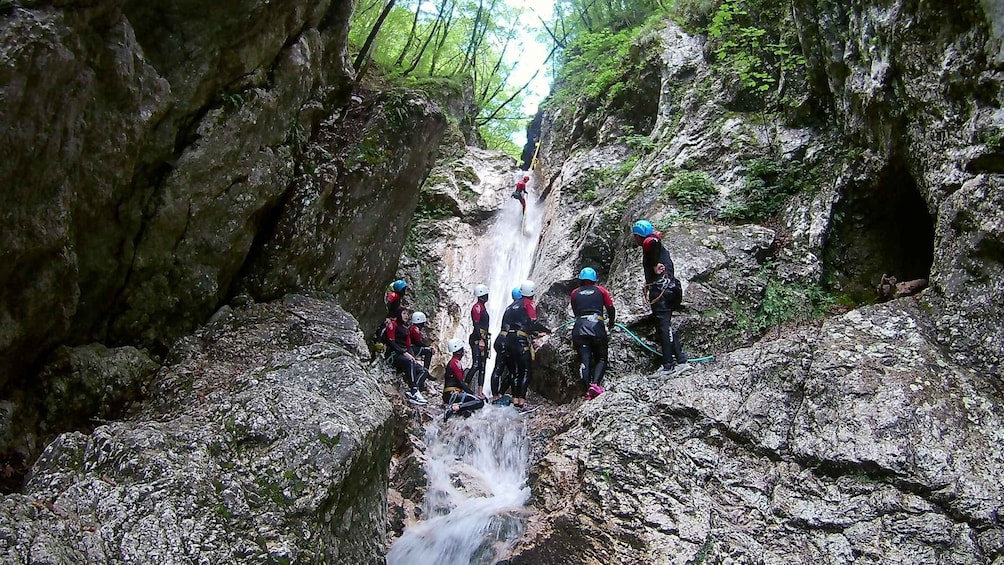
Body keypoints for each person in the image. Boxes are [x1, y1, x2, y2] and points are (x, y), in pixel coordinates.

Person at [632, 219, 689, 373]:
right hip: (669, 289)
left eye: (635, 236)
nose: (634, 239)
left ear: (639, 236)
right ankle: (681, 359)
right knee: (665, 326)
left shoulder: (651, 243)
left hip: (662, 291)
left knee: (663, 328)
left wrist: (653, 265)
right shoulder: (657, 246)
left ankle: (668, 365)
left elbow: (652, 242)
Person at [501, 279, 551, 411]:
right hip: (520, 340)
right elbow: (532, 323)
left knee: (515, 371)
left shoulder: (510, 307)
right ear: (532, 292)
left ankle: (515, 399)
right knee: (526, 370)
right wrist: (547, 330)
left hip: (509, 339)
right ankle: (521, 402)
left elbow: (512, 324)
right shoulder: (529, 304)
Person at [570, 267, 616, 399]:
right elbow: (610, 308)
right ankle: (595, 384)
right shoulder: (601, 290)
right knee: (601, 358)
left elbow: (575, 311)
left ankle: (586, 389)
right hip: (596, 326)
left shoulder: (574, 293)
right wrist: (611, 322)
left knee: (585, 359)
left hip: (579, 328)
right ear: (594, 280)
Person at [385, 308, 430, 405]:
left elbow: (409, 346)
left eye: (407, 314)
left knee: (424, 371)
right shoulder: (392, 324)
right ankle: (414, 392)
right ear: (398, 314)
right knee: (409, 361)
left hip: (404, 355)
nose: (406, 316)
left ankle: (413, 391)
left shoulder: (406, 329)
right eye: (404, 313)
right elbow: (391, 342)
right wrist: (404, 353)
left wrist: (413, 357)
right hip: (393, 355)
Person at [489, 287, 522, 405]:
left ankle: (496, 394)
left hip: (500, 339)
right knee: (513, 371)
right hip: (507, 341)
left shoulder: (509, 308)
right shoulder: (518, 308)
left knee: (499, 368)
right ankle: (508, 395)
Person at [442, 338, 486, 422]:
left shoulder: (452, 362)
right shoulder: (456, 363)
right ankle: (455, 408)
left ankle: (461, 409)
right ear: (459, 351)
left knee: (469, 410)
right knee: (479, 401)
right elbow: (461, 382)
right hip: (452, 394)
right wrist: (473, 394)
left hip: (448, 394)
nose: (463, 352)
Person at [465, 284, 490, 394]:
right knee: (476, 365)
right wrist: (480, 339)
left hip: (484, 338)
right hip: (477, 339)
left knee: (482, 366)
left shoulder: (482, 307)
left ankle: (480, 392)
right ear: (483, 295)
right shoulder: (477, 307)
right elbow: (476, 324)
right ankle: (464, 386)